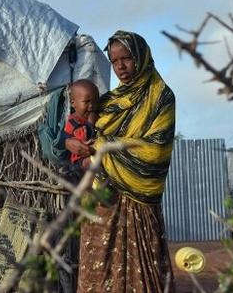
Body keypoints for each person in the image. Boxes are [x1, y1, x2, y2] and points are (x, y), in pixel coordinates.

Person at [67, 30, 176, 292]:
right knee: (99, 273)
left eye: (126, 58)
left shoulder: (161, 98)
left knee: (145, 275)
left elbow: (155, 153)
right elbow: (76, 132)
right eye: (114, 62)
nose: (120, 67)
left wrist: (101, 147)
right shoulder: (108, 102)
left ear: (141, 56)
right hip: (102, 202)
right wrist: (70, 143)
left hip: (139, 203)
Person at [64, 79, 99, 169]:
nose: (91, 106)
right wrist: (90, 124)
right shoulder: (73, 121)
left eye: (95, 101)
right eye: (86, 102)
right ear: (73, 103)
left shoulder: (96, 114)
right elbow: (84, 139)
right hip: (79, 161)